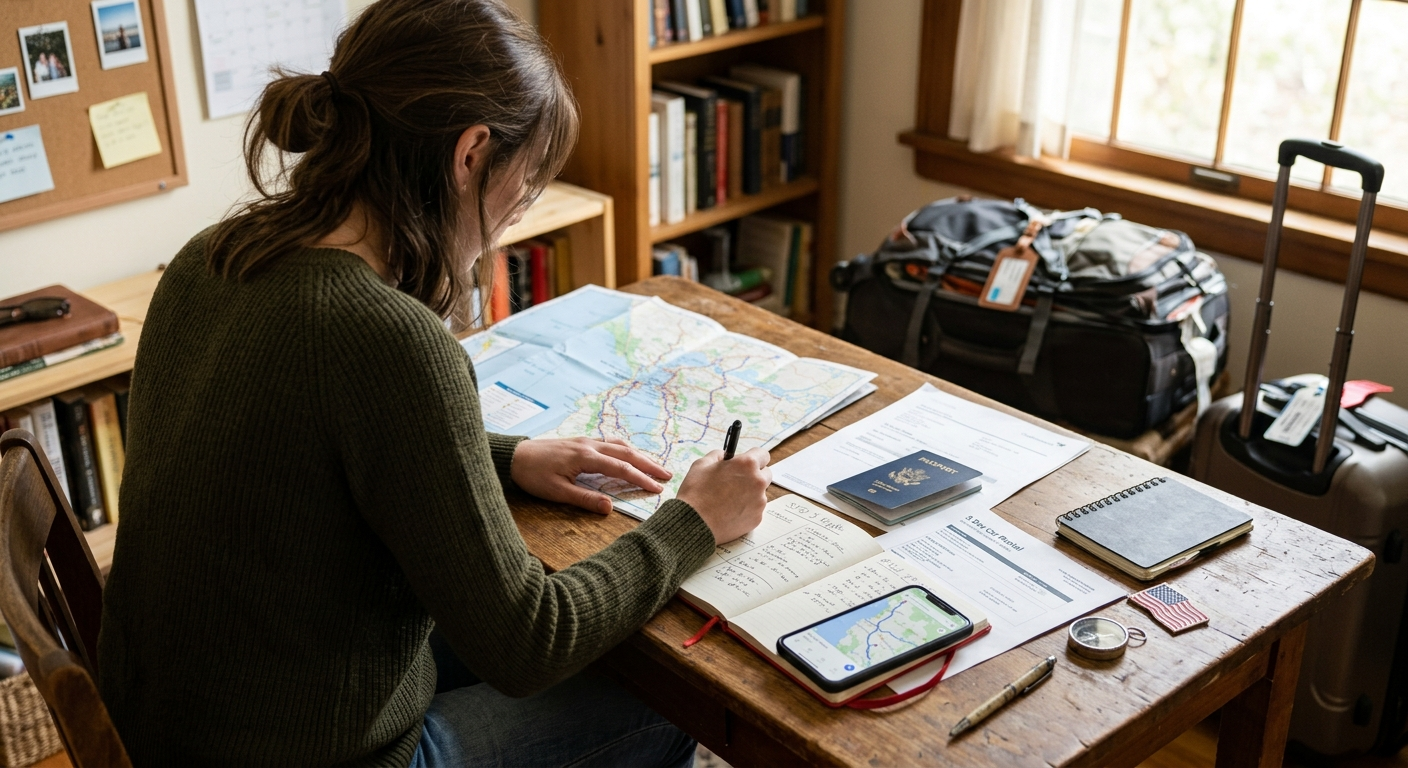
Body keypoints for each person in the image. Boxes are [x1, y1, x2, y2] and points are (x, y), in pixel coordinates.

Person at [95, 0, 772, 766]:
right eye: (526, 183)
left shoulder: (212, 254)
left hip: (173, 721)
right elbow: (528, 642)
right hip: (310, 752)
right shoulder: (389, 340)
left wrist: (505, 455)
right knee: (665, 693)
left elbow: (315, 442)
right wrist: (693, 520)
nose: (518, 213)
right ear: (472, 152)